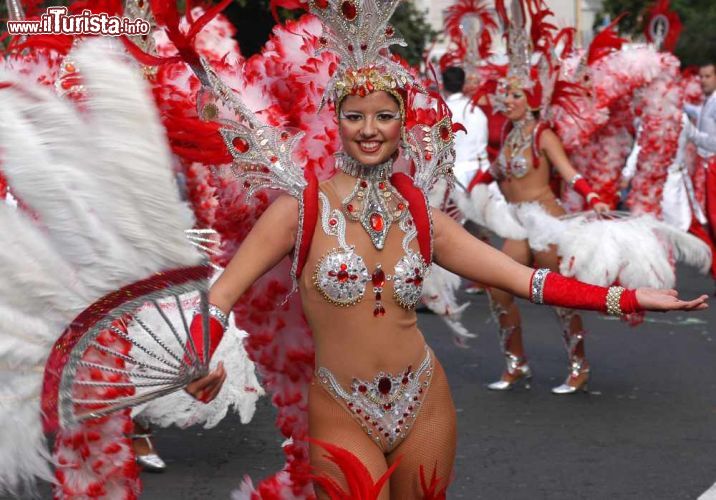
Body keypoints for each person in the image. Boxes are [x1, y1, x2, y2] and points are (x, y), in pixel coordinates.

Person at [182, 1, 707, 497]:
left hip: (424, 401)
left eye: (384, 116)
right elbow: (220, 295)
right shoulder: (300, 209)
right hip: (341, 406)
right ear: (335, 120)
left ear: (402, 124)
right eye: (355, 116)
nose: (369, 130)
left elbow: (525, 280)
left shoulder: (419, 215)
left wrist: (630, 300)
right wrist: (200, 353)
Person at [685, 63, 716, 287]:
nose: (703, 80)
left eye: (707, 76)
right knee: (707, 219)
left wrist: (691, 133)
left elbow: (712, 140)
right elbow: (695, 112)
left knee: (713, 219)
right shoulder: (708, 101)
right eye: (701, 76)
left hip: (713, 164)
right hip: (705, 165)